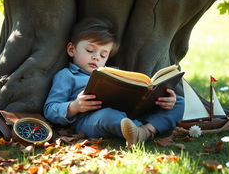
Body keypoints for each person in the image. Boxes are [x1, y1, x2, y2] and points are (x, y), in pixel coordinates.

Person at [43, 17, 184, 147]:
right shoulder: (66, 76)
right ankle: (140, 129)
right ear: (72, 49)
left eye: (103, 55)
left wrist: (162, 99)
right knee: (108, 115)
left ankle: (145, 131)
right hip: (90, 120)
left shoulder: (113, 74)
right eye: (90, 50)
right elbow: (50, 109)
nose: (96, 57)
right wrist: (74, 106)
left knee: (179, 102)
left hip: (130, 114)